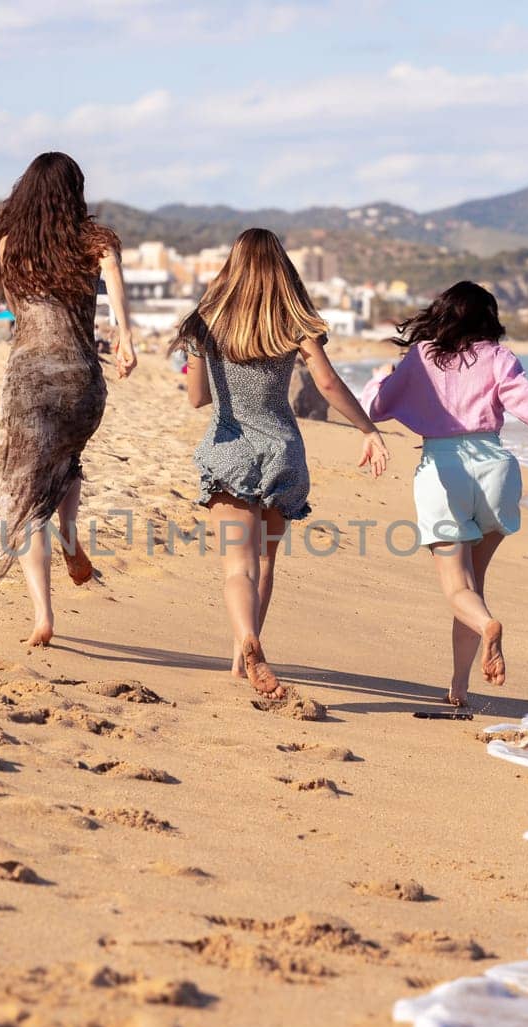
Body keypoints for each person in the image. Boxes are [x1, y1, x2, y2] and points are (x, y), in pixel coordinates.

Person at [360, 281, 528, 704]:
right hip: (496, 469)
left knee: (458, 589)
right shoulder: (498, 357)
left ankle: (489, 628)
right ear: (487, 319)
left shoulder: (421, 357)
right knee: (473, 587)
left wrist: (378, 379)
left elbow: (377, 408)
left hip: (443, 471)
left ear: (443, 314)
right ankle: (459, 687)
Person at [172, 228, 390, 699]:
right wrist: (369, 430)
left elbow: (196, 399)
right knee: (266, 564)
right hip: (282, 453)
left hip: (229, 452)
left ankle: (246, 642)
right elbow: (328, 385)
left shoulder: (204, 322)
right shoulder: (295, 323)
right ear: (283, 269)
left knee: (237, 569)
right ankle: (242, 657)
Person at [0, 151, 137, 647]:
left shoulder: (6, 247)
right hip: (82, 381)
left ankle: (43, 615)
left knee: (26, 495)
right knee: (67, 457)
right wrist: (126, 338)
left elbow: (21, 313)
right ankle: (70, 536)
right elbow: (115, 289)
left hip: (28, 382)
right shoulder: (96, 242)